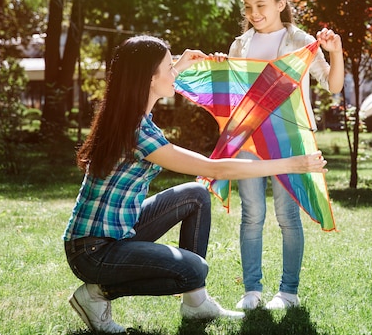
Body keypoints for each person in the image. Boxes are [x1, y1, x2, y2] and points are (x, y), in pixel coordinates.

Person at [63, 35, 328, 333]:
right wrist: (290, 165)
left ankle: (195, 303)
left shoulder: (125, 115)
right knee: (193, 268)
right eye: (169, 65)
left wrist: (181, 63)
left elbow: (163, 79)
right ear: (150, 79)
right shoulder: (139, 133)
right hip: (94, 252)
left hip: (113, 233)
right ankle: (97, 293)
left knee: (196, 195)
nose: (174, 70)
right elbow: (211, 168)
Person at [227, 0, 344, 310]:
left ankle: (288, 293)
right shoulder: (241, 44)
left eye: (260, 5)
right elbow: (235, 93)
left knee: (287, 216)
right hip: (249, 138)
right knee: (252, 214)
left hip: (290, 140)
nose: (253, 13)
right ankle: (252, 290)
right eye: (248, 7)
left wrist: (335, 53)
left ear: (281, 3)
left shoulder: (301, 41)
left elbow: (332, 85)